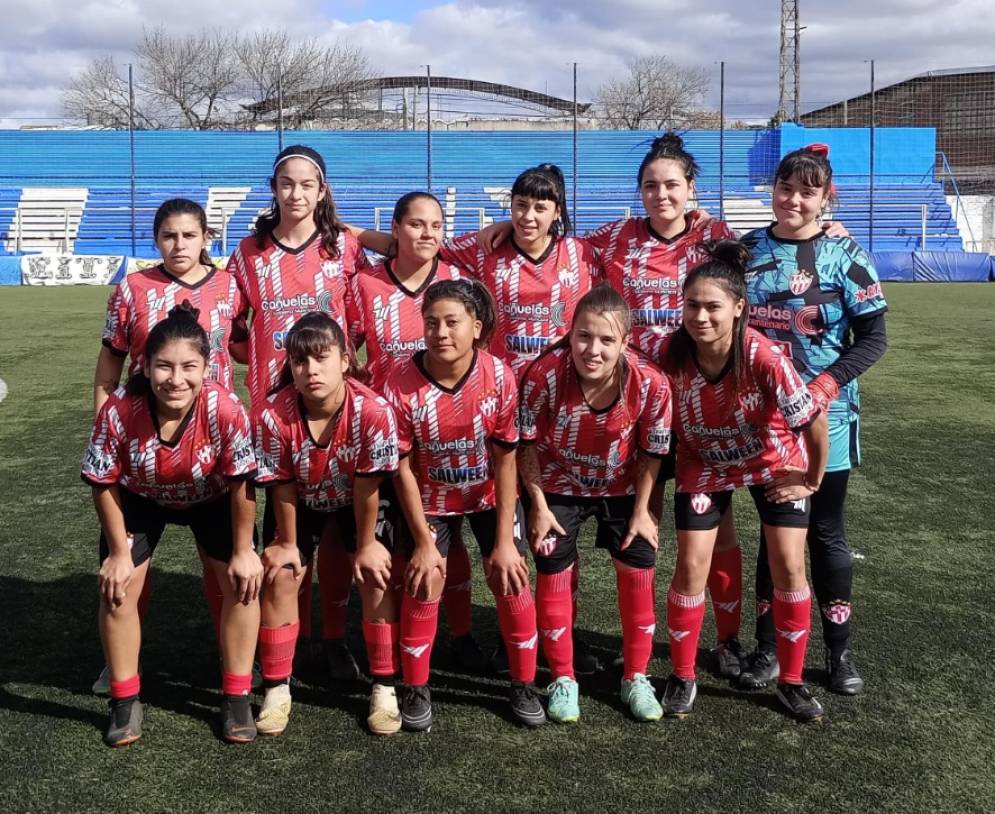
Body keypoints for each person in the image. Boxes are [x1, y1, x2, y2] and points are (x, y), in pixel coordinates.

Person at [655, 240, 830, 722]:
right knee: (692, 564)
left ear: (738, 307)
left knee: (789, 564)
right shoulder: (671, 353)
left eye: (713, 307)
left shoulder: (763, 356)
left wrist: (811, 479)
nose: (701, 316)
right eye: (692, 305)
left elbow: (813, 421)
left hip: (772, 461)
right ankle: (687, 671)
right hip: (704, 462)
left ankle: (791, 681)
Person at [737, 144, 888, 696]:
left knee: (825, 532)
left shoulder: (845, 255)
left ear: (826, 198)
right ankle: (767, 648)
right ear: (773, 190)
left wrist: (825, 384)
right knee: (776, 533)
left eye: (807, 191)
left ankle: (838, 651)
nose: (794, 200)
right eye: (786, 188)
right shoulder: (745, 250)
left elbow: (874, 338)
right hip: (763, 422)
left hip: (831, 418)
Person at [82, 303, 261, 746]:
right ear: (144, 366)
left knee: (242, 582)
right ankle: (124, 699)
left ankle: (237, 695)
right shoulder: (120, 409)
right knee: (118, 586)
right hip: (141, 498)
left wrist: (244, 551)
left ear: (207, 368)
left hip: (211, 498)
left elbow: (242, 484)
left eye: (188, 367)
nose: (176, 379)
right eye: (164, 366)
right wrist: (119, 553)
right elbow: (102, 482)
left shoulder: (225, 408)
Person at [228, 144, 371, 680]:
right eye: (286, 183)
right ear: (273, 189)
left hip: (334, 409)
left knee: (334, 531)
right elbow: (233, 328)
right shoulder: (249, 252)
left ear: (322, 190)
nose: (295, 193)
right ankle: (294, 642)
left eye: (307, 184)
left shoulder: (344, 248)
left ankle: (332, 640)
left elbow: (359, 322)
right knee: (286, 532)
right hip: (275, 415)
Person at [91, 197, 242, 695]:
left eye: (189, 235)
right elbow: (111, 362)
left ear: (206, 238)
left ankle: (232, 655)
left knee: (221, 561)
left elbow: (244, 344)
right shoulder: (133, 288)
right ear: (156, 240)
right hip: (144, 442)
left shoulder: (230, 285)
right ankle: (121, 663)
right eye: (169, 236)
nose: (179, 245)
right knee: (128, 564)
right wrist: (105, 425)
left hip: (210, 446)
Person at [383, 279, 545, 730]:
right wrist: (422, 540)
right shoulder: (400, 382)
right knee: (425, 576)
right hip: (429, 497)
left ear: (476, 327)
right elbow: (402, 469)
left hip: (488, 495)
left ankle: (523, 683)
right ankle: (416, 686)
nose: (440, 332)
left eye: (452, 322)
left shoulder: (499, 376)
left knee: (510, 574)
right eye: (431, 322)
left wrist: (505, 540)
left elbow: (506, 461)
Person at [518, 284, 672, 723]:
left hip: (622, 487)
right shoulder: (543, 374)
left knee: (639, 568)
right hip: (557, 484)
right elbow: (525, 445)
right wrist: (538, 505)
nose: (593, 349)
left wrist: (642, 510)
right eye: (584, 336)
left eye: (607, 339)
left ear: (626, 342)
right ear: (570, 333)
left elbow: (653, 452)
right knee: (552, 570)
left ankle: (635, 676)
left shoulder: (651, 382)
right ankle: (563, 678)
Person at [348, 192, 486, 673]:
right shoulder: (364, 284)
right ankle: (391, 656)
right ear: (395, 229)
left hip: (447, 432)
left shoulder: (458, 280)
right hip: (387, 439)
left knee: (452, 534)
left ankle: (461, 635)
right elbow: (345, 350)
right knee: (394, 542)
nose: (427, 233)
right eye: (416, 224)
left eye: (436, 225)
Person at [252, 312, 401, 736]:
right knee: (281, 574)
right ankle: (277, 688)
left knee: (376, 572)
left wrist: (367, 544)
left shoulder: (374, 411)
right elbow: (281, 486)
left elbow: (368, 486)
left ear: (345, 360)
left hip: (357, 498)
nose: (311, 370)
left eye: (322, 358)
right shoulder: (272, 415)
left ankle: (384, 686)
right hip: (299, 499)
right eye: (300, 361)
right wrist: (287, 542)